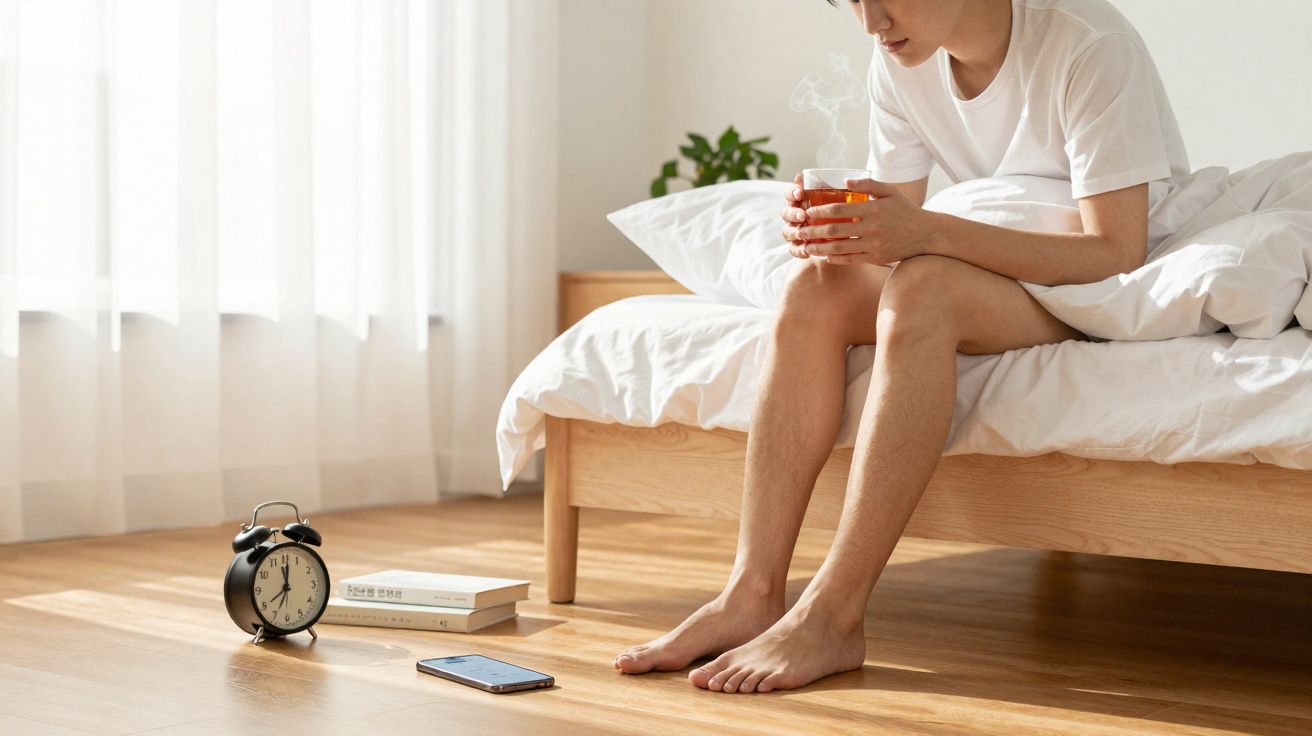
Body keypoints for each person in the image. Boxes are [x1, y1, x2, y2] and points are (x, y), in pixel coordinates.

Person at [614, 0, 1189, 694]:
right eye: (850, 1)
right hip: (998, 259)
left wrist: (927, 234)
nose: (870, 22)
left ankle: (834, 614)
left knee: (924, 293)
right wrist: (835, 230)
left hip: (1100, 283)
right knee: (814, 289)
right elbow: (895, 224)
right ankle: (752, 593)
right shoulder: (901, 58)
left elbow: (1115, 249)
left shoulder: (1086, 45)